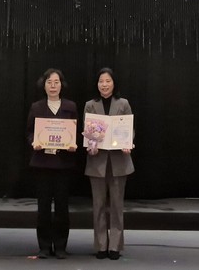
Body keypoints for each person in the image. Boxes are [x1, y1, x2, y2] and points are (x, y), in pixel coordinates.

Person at [26, 68, 78, 259]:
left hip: (63, 164)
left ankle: (61, 246)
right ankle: (44, 247)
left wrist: (73, 144)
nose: (53, 86)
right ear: (44, 85)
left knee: (62, 207)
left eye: (56, 82)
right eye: (49, 82)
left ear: (61, 85)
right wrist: (34, 142)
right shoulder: (37, 107)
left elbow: (75, 131)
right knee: (44, 208)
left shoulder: (70, 106)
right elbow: (29, 132)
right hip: (42, 164)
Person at [84, 67, 134, 260]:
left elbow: (130, 129)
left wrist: (128, 143)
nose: (104, 85)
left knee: (116, 205)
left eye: (108, 81)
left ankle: (115, 246)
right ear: (96, 84)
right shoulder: (90, 105)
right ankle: (100, 245)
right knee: (98, 205)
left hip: (119, 161)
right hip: (97, 161)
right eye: (101, 81)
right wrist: (91, 146)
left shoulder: (123, 103)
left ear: (114, 83)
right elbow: (87, 132)